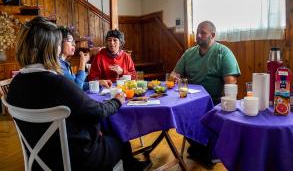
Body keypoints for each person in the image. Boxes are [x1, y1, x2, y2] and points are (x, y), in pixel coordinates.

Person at [7, 17, 151, 171]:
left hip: (39, 158)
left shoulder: (15, 84)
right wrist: (117, 101)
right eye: (58, 44)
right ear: (50, 48)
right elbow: (98, 111)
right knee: (120, 138)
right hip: (76, 159)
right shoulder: (58, 83)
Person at [171, 20, 241, 168]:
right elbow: (174, 74)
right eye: (197, 32)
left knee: (208, 120)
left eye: (203, 33)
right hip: (189, 101)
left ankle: (206, 151)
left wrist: (224, 105)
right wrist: (175, 77)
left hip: (214, 103)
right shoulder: (189, 53)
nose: (198, 35)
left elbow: (230, 83)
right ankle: (203, 150)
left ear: (213, 35)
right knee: (179, 116)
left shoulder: (224, 53)